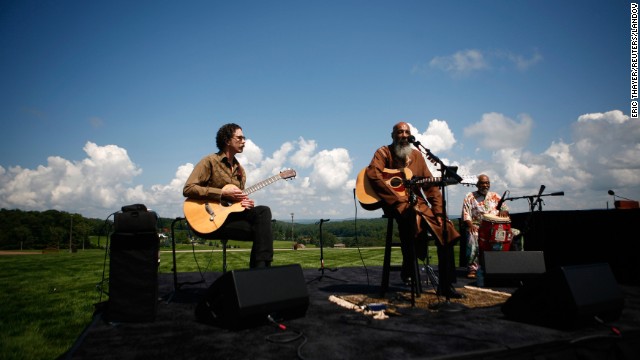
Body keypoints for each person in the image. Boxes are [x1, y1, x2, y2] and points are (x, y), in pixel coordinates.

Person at [365, 122, 464, 299]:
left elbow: (431, 187)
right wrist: (396, 198)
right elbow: (373, 174)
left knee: (446, 229)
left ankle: (446, 285)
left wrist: (440, 212)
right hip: (395, 204)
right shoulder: (383, 152)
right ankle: (410, 271)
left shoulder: (418, 156)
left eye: (407, 132)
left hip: (418, 202)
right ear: (393, 135)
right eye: (400, 132)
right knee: (413, 220)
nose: (403, 135)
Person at [183, 123, 274, 268]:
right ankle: (261, 272)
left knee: (263, 212)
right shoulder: (209, 162)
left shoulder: (241, 171)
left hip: (231, 218)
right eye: (239, 138)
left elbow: (235, 203)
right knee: (261, 234)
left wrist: (244, 203)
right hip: (208, 220)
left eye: (244, 138)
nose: (244, 141)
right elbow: (188, 188)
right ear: (227, 140)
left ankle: (261, 269)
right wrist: (222, 193)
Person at [460, 174, 510, 279]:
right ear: (477, 184)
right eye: (483, 183)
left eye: (487, 183)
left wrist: (504, 211)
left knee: (515, 234)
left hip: (495, 227)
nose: (485, 185)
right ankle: (473, 268)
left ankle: (500, 266)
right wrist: (471, 225)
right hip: (478, 226)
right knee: (473, 236)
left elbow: (505, 208)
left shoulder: (495, 196)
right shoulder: (470, 196)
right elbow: (466, 214)